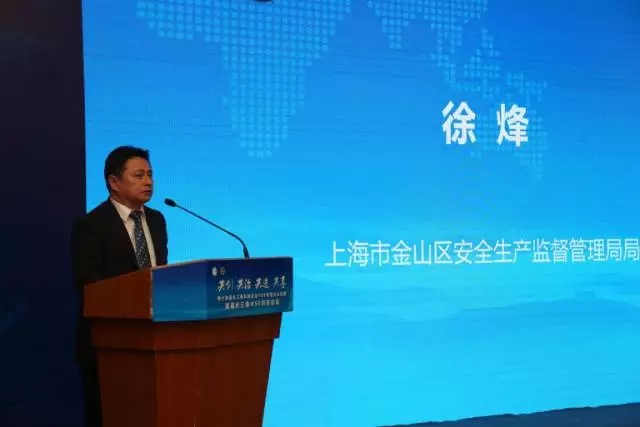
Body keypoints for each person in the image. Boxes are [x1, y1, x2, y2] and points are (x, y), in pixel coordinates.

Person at [69, 145, 169, 426]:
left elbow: (159, 274)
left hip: (155, 341)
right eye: (139, 175)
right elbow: (89, 286)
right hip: (109, 345)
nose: (148, 182)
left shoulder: (157, 220)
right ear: (114, 182)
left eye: (150, 174)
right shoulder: (91, 225)